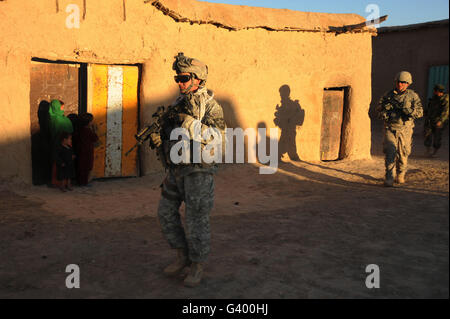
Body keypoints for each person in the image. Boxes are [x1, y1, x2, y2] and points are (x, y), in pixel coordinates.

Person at [150, 52, 226, 287]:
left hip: (198, 172)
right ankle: (182, 256)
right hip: (176, 169)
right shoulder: (178, 103)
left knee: (196, 220)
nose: (180, 83)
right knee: (165, 212)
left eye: (183, 78)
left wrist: (188, 122)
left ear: (198, 79)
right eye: (177, 79)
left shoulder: (211, 107)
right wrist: (160, 136)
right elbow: (173, 133)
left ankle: (197, 265)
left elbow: (218, 137)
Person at [376, 71, 423, 187]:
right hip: (390, 127)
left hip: (405, 129)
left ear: (408, 83)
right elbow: (378, 109)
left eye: (403, 82)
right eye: (399, 82)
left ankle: (401, 174)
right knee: (390, 152)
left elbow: (420, 112)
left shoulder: (412, 96)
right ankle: (389, 177)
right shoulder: (388, 95)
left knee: (403, 154)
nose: (400, 84)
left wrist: (409, 111)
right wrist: (384, 112)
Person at [48, 100, 73, 187]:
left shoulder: (53, 118)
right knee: (60, 164)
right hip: (61, 145)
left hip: (59, 144)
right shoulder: (59, 119)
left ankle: (59, 182)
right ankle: (60, 182)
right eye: (61, 107)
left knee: (59, 163)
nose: (63, 109)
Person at [424, 84, 449, 157]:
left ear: (439, 91)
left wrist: (441, 121)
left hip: (439, 121)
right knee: (427, 134)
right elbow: (429, 108)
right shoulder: (434, 98)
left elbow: (446, 112)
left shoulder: (445, 99)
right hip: (430, 120)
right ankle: (428, 151)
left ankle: (435, 152)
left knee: (437, 137)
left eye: (435, 91)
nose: (434, 92)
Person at [74, 113, 99, 186]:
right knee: (86, 167)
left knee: (80, 167)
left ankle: (80, 181)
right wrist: (94, 130)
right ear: (88, 123)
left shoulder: (79, 130)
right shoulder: (88, 131)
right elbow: (95, 139)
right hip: (87, 152)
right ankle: (84, 182)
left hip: (79, 151)